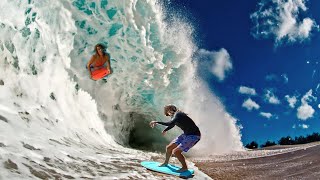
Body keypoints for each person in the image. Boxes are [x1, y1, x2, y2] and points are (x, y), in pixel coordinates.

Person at [149, 104, 201, 172]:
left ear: (170, 109)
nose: (166, 112)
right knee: (169, 148)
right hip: (186, 134)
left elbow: (170, 123)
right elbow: (172, 125)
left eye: (166, 110)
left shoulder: (178, 114)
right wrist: (165, 130)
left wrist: (156, 122)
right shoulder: (175, 116)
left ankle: (185, 167)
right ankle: (166, 163)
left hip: (194, 135)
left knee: (176, 152)